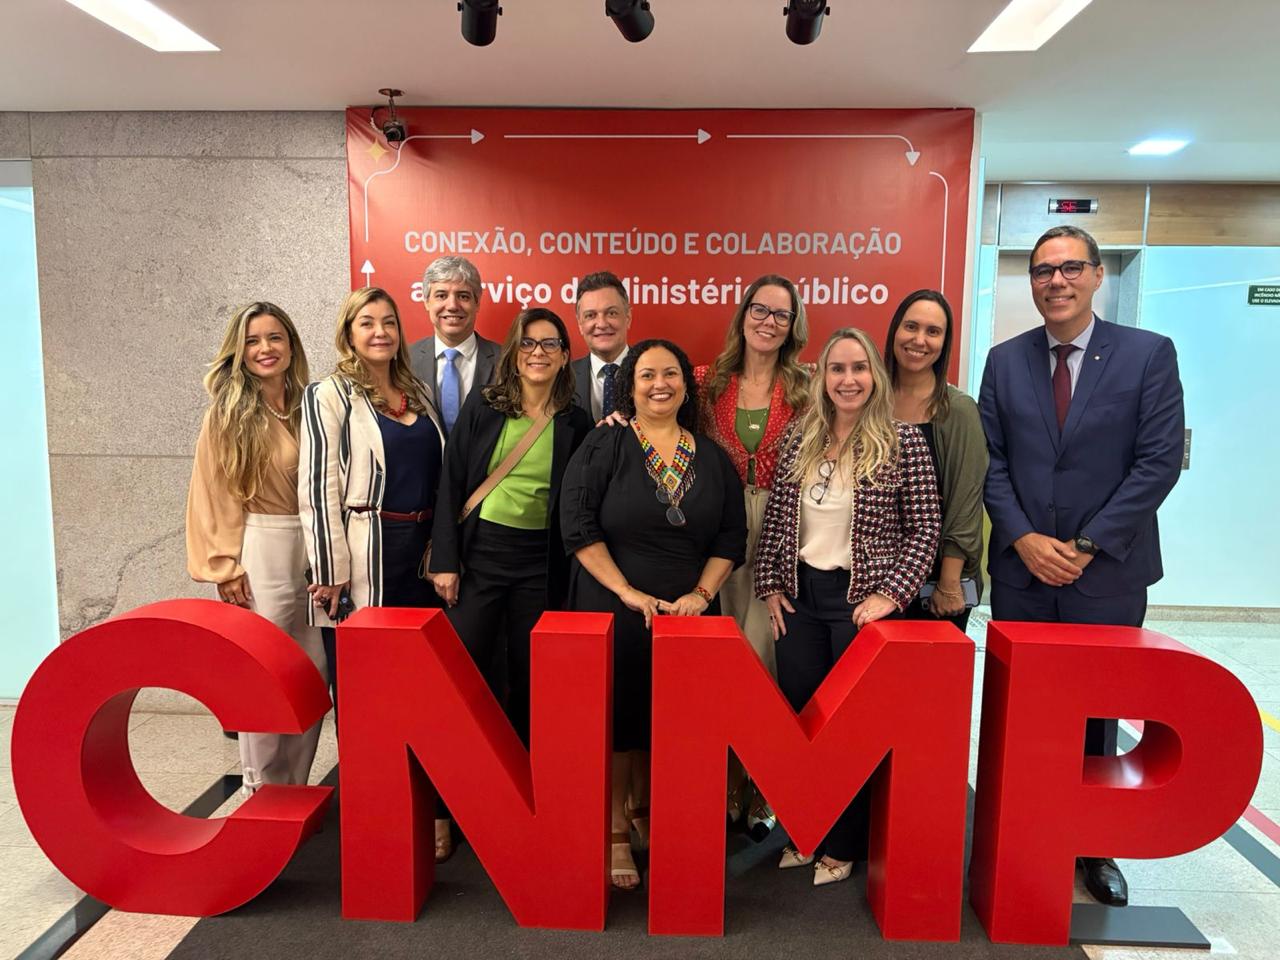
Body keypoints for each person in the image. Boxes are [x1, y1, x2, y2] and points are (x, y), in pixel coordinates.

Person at [980, 224, 1185, 907]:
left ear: (1098, 275)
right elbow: (992, 463)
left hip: (1108, 572)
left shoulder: (1148, 355)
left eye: (1070, 268)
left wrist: (1088, 544)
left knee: (1097, 713)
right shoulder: (1004, 361)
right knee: (1026, 710)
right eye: (1043, 270)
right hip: (1024, 572)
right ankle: (1024, 831)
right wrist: (1023, 539)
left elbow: (1157, 462)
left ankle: (1093, 845)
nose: (1056, 281)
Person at [755, 328, 940, 886]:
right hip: (800, 600)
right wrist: (770, 584)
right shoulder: (800, 437)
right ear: (822, 378)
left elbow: (925, 529)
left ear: (875, 376)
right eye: (837, 368)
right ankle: (806, 831)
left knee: (850, 731)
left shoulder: (904, 441)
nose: (848, 379)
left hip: (862, 603)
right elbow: (777, 520)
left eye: (859, 368)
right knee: (803, 722)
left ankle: (844, 843)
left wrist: (892, 594)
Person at [561, 339, 747, 891]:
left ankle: (643, 808)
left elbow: (730, 535)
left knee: (666, 718)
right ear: (630, 386)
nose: (659, 384)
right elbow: (577, 524)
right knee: (619, 719)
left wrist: (702, 595)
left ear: (687, 386)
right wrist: (625, 591)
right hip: (614, 606)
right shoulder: (605, 442)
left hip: (685, 617)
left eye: (670, 374)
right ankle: (615, 828)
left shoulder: (710, 456)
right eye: (647, 375)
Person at [298, 286, 445, 844]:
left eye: (388, 322)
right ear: (348, 333)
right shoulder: (328, 394)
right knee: (364, 691)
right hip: (362, 557)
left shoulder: (417, 391)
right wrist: (329, 569)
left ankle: (418, 801)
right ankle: (374, 813)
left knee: (418, 685)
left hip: (420, 556)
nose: (380, 332)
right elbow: (317, 486)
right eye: (367, 322)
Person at [429, 307, 592, 742]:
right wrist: (445, 560)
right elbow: (451, 481)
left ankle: (523, 764)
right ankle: (464, 762)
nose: (538, 352)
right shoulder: (485, 405)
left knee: (530, 669)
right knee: (465, 661)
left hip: (540, 562)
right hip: (480, 553)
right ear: (514, 352)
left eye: (550, 344)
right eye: (528, 343)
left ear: (564, 355)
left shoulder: (576, 421)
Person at [186, 301, 327, 792]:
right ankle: (262, 788)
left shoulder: (312, 404)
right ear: (239, 351)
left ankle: (295, 788)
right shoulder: (229, 413)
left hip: (314, 547)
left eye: (274, 337)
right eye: (252, 340)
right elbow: (213, 490)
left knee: (312, 672)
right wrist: (225, 566)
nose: (265, 348)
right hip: (262, 546)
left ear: (291, 345)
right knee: (266, 672)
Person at [695, 274, 810, 838]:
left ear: (793, 327)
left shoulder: (808, 388)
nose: (769, 321)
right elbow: (653, 421)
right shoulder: (705, 382)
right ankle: (722, 782)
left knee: (763, 663)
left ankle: (761, 785)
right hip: (714, 531)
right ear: (743, 316)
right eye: (760, 310)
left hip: (781, 529)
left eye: (781, 314)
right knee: (718, 664)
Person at [883, 289, 987, 631]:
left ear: (944, 343)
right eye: (911, 326)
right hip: (876, 581)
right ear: (895, 330)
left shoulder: (958, 410)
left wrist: (949, 582)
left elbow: (965, 502)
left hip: (938, 585)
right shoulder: (869, 403)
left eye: (933, 331)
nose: (919, 340)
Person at [409, 255, 500, 435]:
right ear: (426, 301)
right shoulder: (405, 361)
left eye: (463, 296)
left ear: (477, 303)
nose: (452, 306)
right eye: (441, 295)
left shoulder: (506, 361)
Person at [571, 271, 632, 420]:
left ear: (628, 317)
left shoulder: (654, 374)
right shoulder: (562, 378)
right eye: (590, 315)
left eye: (611, 313)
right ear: (580, 324)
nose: (602, 324)